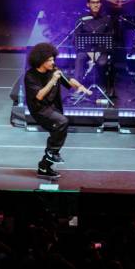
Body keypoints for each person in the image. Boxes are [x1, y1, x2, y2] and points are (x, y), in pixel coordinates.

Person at [23, 42, 91, 178]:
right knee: (62, 122)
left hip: (53, 107)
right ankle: (52, 151)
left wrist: (80, 86)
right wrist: (53, 79)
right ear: (40, 61)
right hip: (39, 109)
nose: (52, 62)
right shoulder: (30, 76)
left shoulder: (53, 69)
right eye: (49, 60)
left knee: (61, 128)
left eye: (53, 59)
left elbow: (68, 81)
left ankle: (44, 166)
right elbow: (40, 96)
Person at [73, 0, 117, 98]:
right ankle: (77, 88)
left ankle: (104, 87)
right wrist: (89, 51)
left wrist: (98, 52)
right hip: (86, 50)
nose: (96, 5)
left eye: (98, 2)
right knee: (80, 57)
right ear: (88, 4)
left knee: (102, 62)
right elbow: (76, 39)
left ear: (101, 4)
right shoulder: (82, 19)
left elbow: (110, 39)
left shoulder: (107, 19)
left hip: (101, 50)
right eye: (93, 2)